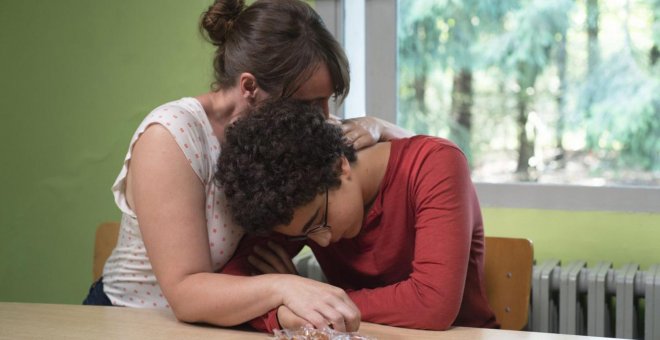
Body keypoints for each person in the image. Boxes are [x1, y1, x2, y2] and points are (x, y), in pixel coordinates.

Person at [82, 0, 411, 332]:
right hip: (133, 319)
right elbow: (184, 293)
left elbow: (429, 158)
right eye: (309, 103)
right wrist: (284, 285)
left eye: (328, 100)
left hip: (226, 323)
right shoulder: (171, 136)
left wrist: (380, 126)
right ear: (250, 87)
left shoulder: (294, 130)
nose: (324, 117)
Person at [215, 99, 499, 332]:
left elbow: (432, 303)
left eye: (317, 223)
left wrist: (317, 304)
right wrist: (283, 308)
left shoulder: (435, 163)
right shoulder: (296, 198)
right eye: (306, 236)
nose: (322, 242)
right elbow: (232, 285)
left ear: (340, 167)